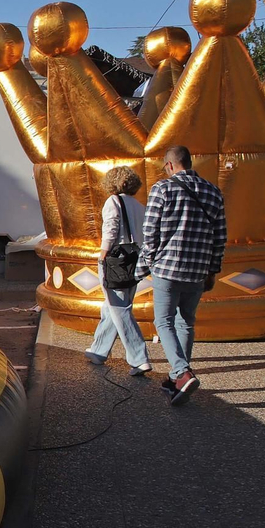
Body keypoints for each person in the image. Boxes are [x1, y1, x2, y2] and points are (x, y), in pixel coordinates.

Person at [136, 145, 227, 405]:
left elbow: (150, 233)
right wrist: (212, 270)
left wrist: (143, 266)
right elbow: (220, 237)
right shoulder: (213, 191)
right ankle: (177, 381)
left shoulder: (162, 189)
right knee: (185, 321)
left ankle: (181, 372)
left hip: (167, 267)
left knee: (163, 322)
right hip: (198, 269)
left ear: (171, 165)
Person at [86, 166, 152, 375]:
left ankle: (139, 358)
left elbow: (111, 228)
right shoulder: (140, 206)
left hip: (115, 259)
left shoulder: (113, 202)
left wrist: (103, 254)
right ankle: (98, 351)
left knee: (119, 308)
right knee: (112, 306)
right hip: (135, 260)